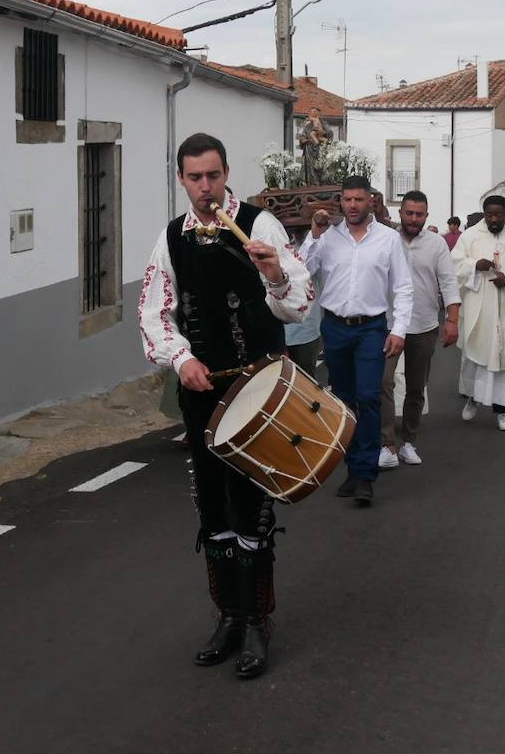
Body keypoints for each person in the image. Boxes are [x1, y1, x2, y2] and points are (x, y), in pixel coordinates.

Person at [138, 133, 313, 680]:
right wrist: (179, 358)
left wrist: (275, 274)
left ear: (226, 172)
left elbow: (298, 305)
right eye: (195, 178)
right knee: (212, 507)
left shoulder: (260, 226)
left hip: (257, 388)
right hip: (202, 391)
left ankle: (259, 623)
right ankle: (229, 617)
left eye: (214, 175)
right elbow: (153, 312)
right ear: (182, 179)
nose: (206, 187)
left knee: (252, 509)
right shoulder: (171, 238)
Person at [301, 176, 413, 506]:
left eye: (358, 200)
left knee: (368, 396)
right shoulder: (328, 237)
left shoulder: (388, 239)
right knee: (344, 401)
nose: (352, 205)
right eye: (347, 199)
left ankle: (365, 474)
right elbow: (303, 272)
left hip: (371, 328)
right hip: (334, 327)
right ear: (341, 201)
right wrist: (313, 235)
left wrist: (399, 330)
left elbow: (403, 288)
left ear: (370, 203)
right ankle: (352, 468)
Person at [378, 191, 460, 469]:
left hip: (424, 325)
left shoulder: (436, 244)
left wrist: (452, 321)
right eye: (409, 213)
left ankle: (408, 442)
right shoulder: (386, 239)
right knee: (383, 383)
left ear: (426, 215)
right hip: (388, 325)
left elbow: (449, 283)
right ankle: (386, 444)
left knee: (416, 387)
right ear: (400, 213)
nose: (414, 219)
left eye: (419, 214)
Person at [452, 195, 505, 431]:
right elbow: (455, 263)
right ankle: (472, 397)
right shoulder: (469, 236)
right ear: (484, 213)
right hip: (479, 305)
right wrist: (474, 266)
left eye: (498, 215)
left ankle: (503, 412)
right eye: (489, 214)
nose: (494, 219)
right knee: (475, 352)